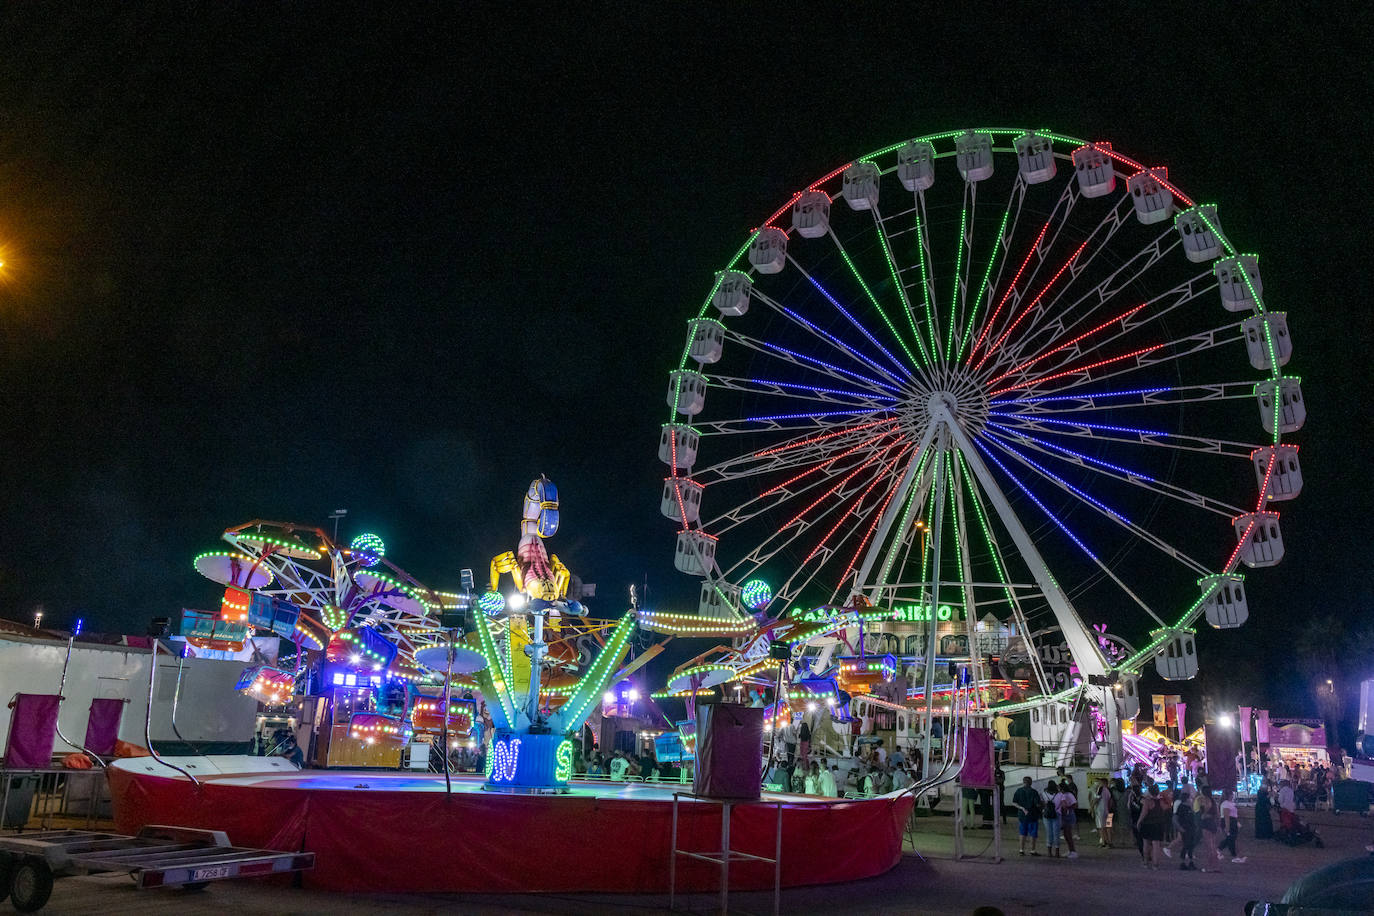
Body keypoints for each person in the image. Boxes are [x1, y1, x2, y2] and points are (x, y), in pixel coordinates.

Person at [1165, 786, 1197, 870]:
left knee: (1190, 845)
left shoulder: (1188, 807)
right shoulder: (1182, 807)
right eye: (1189, 798)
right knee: (1186, 845)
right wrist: (1179, 828)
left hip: (1190, 828)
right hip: (1185, 828)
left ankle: (1190, 862)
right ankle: (1183, 862)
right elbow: (1175, 818)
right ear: (1187, 799)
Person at [1138, 784, 1168, 869]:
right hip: (1158, 824)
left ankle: (1145, 862)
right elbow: (1166, 808)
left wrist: (1139, 822)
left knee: (1146, 844)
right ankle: (1155, 864)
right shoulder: (1161, 802)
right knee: (1156, 845)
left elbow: (1143, 813)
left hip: (1147, 824)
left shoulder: (1148, 802)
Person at [1011, 776, 1042, 856]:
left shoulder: (1019, 791)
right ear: (1031, 783)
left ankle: (1021, 850)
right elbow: (1037, 804)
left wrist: (1022, 808)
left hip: (1022, 815)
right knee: (1033, 834)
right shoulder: (1034, 792)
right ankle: (1032, 850)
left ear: (1023, 782)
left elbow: (1014, 803)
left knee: (1022, 833)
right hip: (1033, 815)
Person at [1195, 792, 1222, 873]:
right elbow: (1218, 815)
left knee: (1209, 847)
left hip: (1206, 824)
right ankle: (1216, 866)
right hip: (1213, 824)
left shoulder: (1205, 800)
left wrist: (1204, 814)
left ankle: (1210, 866)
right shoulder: (1214, 802)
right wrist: (1218, 825)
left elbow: (1204, 813)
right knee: (1213, 846)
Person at [1218, 788, 1245, 863]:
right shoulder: (1226, 803)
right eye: (1231, 794)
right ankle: (1233, 855)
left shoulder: (1229, 803)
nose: (1233, 796)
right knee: (1231, 838)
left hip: (1232, 821)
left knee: (1231, 839)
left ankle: (1234, 855)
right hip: (1230, 821)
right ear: (1229, 795)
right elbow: (1226, 816)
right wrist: (1227, 826)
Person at [1054, 779, 1079, 858]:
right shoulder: (1061, 794)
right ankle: (1070, 850)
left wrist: (1067, 808)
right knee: (1066, 834)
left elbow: (1075, 805)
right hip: (1064, 816)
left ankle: (1073, 851)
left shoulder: (1068, 795)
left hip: (1068, 816)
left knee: (1068, 834)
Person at [1042, 779, 1062, 857]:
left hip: (1046, 814)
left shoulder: (1044, 793)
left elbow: (1041, 803)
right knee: (1056, 833)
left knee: (1048, 833)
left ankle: (1049, 852)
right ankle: (1057, 852)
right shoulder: (1059, 794)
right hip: (1057, 814)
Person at [1091, 777, 1112, 847]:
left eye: (1099, 782)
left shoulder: (1101, 789)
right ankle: (1109, 842)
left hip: (1101, 811)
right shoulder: (1108, 790)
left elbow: (1097, 798)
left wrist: (1091, 808)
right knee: (1108, 827)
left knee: (1101, 827)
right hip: (1108, 811)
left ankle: (1104, 842)